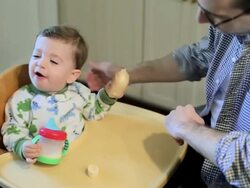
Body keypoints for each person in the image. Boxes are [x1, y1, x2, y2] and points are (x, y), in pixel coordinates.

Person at [85, 0, 250, 187]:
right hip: (209, 149)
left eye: (215, 16)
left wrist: (188, 128)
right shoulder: (231, 27)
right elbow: (200, 56)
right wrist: (126, 75)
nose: (199, 19)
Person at [1, 26, 129, 164]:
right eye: (36, 55)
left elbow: (94, 111)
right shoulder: (21, 99)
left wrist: (109, 94)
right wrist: (23, 146)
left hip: (79, 157)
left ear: (71, 75)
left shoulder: (79, 92)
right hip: (42, 163)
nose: (41, 63)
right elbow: (12, 130)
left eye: (53, 61)